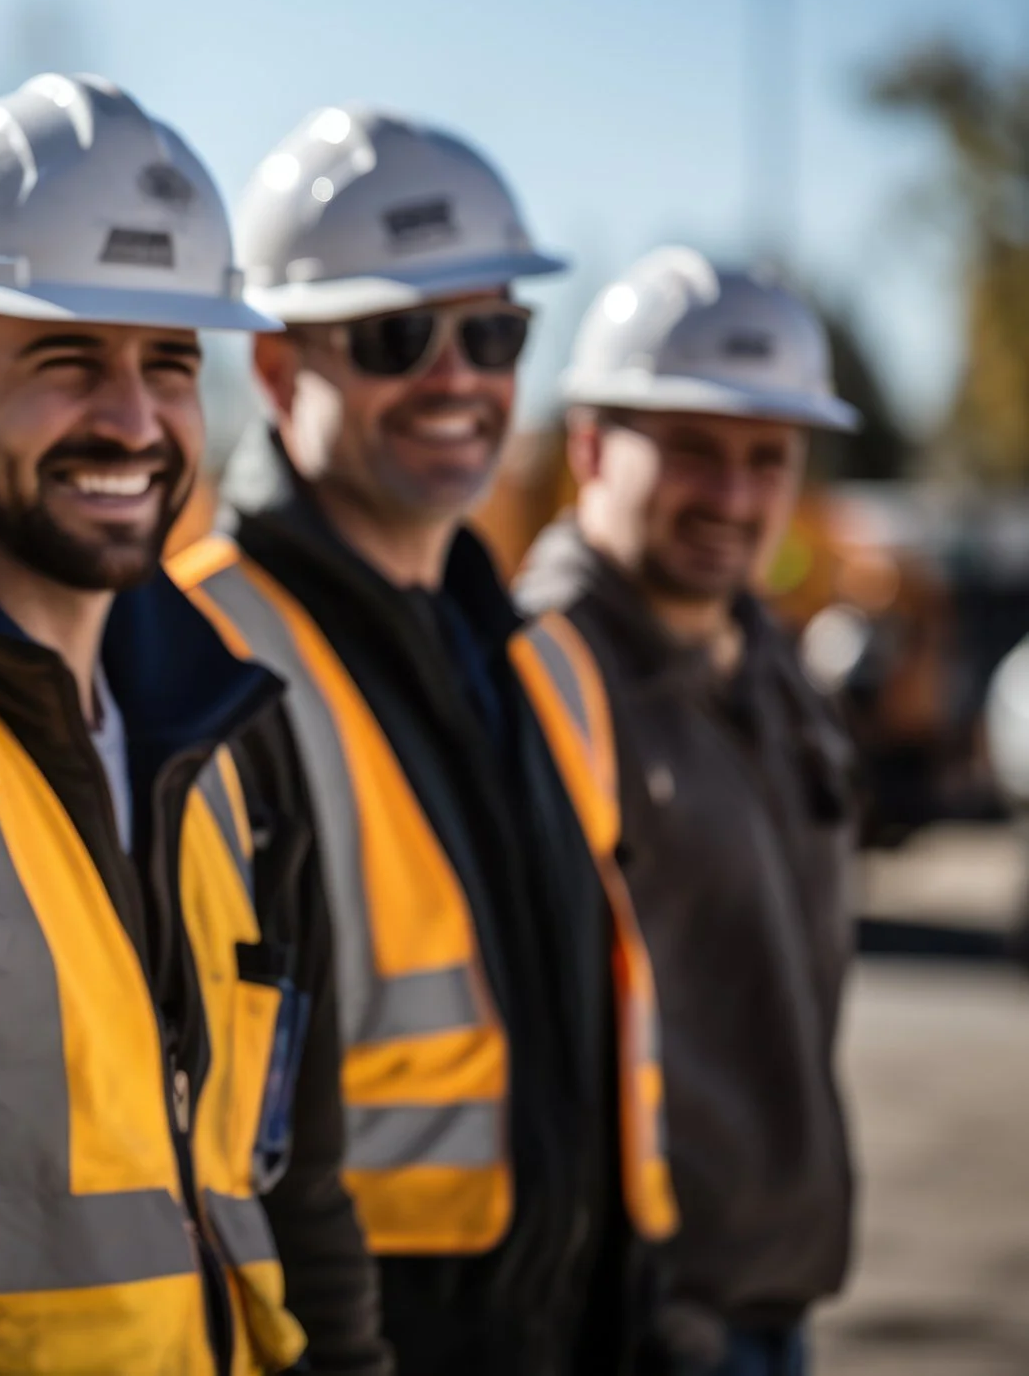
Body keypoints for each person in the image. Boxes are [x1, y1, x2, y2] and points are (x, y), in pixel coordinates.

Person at [0, 74, 390, 1376]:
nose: (135, 420)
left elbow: (298, 1176)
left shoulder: (228, 728)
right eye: (67, 359)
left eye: (169, 364)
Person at [167, 106, 677, 1376]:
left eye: (493, 333)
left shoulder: (539, 658)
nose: (458, 375)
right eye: (399, 336)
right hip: (363, 1331)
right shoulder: (194, 650)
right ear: (278, 375)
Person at [518, 249, 863, 1376]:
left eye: (767, 457)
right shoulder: (542, 677)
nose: (732, 493)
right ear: (587, 449)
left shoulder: (767, 667)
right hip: (639, 1325)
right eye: (691, 449)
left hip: (772, 1302)